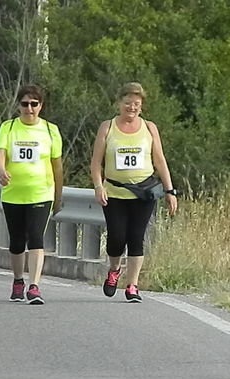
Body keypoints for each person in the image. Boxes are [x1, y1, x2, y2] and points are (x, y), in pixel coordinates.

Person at [91, 82, 177, 303]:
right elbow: (96, 162)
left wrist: (170, 190)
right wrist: (99, 186)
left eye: (136, 104)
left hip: (143, 193)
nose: (132, 108)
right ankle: (114, 270)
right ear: (119, 103)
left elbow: (159, 160)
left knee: (136, 238)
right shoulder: (107, 127)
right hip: (115, 193)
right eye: (128, 103)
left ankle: (132, 286)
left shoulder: (149, 128)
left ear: (142, 106)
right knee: (117, 237)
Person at [0, 84, 63, 305]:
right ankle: (17, 280)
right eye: (25, 104)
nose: (29, 109)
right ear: (19, 106)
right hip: (13, 194)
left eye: (34, 104)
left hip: (41, 193)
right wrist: (1, 171)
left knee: (36, 237)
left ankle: (34, 286)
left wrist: (58, 196)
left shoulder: (51, 130)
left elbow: (57, 166)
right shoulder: (9, 127)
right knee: (16, 241)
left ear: (41, 106)